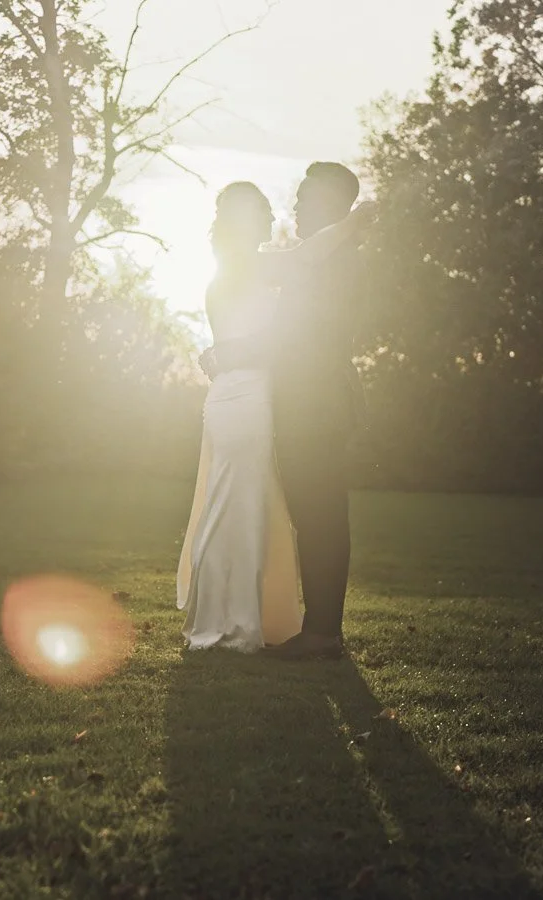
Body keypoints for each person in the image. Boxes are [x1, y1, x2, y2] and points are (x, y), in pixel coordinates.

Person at [176, 176, 376, 654]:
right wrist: (352, 223)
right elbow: (300, 271)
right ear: (243, 221)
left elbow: (298, 322)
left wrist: (228, 352)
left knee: (251, 507)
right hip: (243, 400)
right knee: (234, 505)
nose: (277, 215)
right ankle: (228, 623)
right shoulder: (249, 266)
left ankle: (253, 618)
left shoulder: (258, 266)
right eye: (264, 210)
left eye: (282, 205)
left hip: (257, 395)